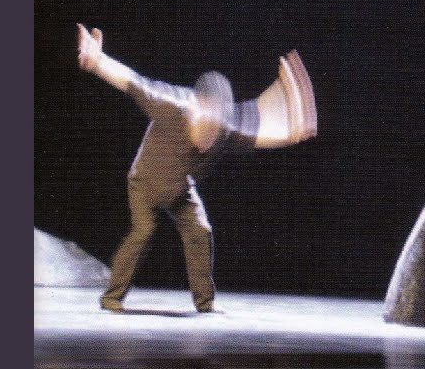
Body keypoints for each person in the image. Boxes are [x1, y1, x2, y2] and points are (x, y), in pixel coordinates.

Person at [76, 23, 317, 313]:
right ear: (197, 108)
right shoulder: (170, 104)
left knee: (200, 231)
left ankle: (205, 302)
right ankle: (111, 298)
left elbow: (262, 132)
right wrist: (97, 61)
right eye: (207, 127)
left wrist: (293, 130)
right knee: (144, 231)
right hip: (145, 184)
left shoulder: (225, 128)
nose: (210, 138)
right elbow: (131, 80)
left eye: (216, 130)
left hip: (181, 189)